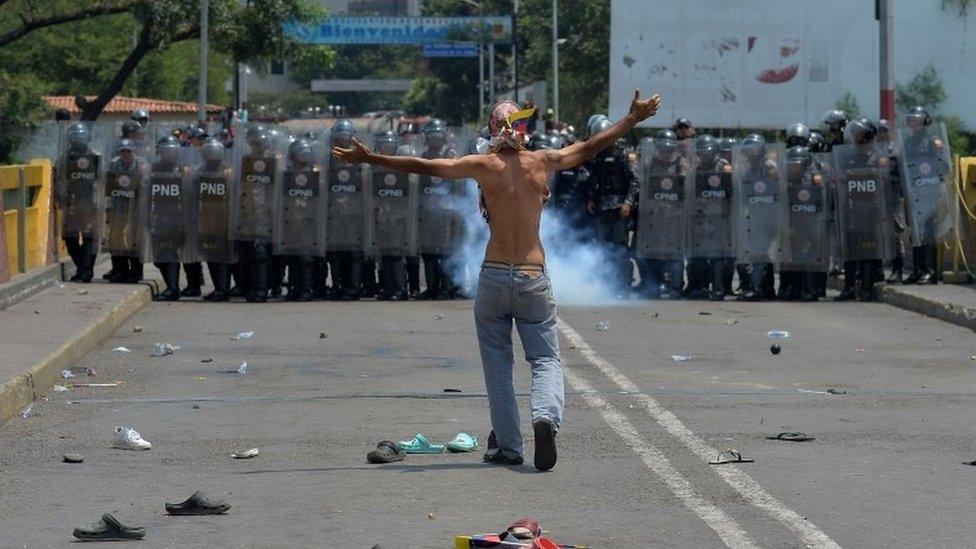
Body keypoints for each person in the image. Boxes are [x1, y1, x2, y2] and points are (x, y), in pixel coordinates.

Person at [332, 89, 662, 472]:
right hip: (531, 274)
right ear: (523, 128)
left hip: (493, 275)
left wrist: (371, 157)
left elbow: (423, 164)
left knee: (497, 365)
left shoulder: (482, 165)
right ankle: (545, 419)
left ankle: (509, 446)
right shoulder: (541, 161)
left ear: (493, 129)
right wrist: (632, 118)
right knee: (545, 359)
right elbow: (590, 147)